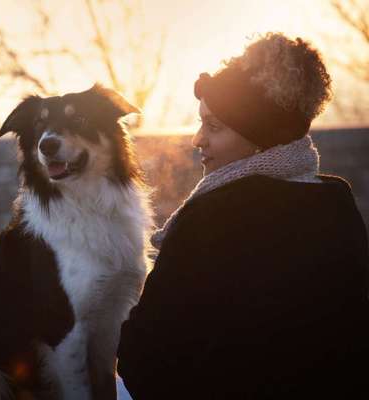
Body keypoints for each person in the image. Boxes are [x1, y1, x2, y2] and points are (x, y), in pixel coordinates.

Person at [117, 32, 369, 399]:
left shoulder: (208, 219)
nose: (197, 139)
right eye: (201, 123)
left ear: (260, 139)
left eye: (214, 127)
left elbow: (142, 360)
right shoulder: (335, 203)